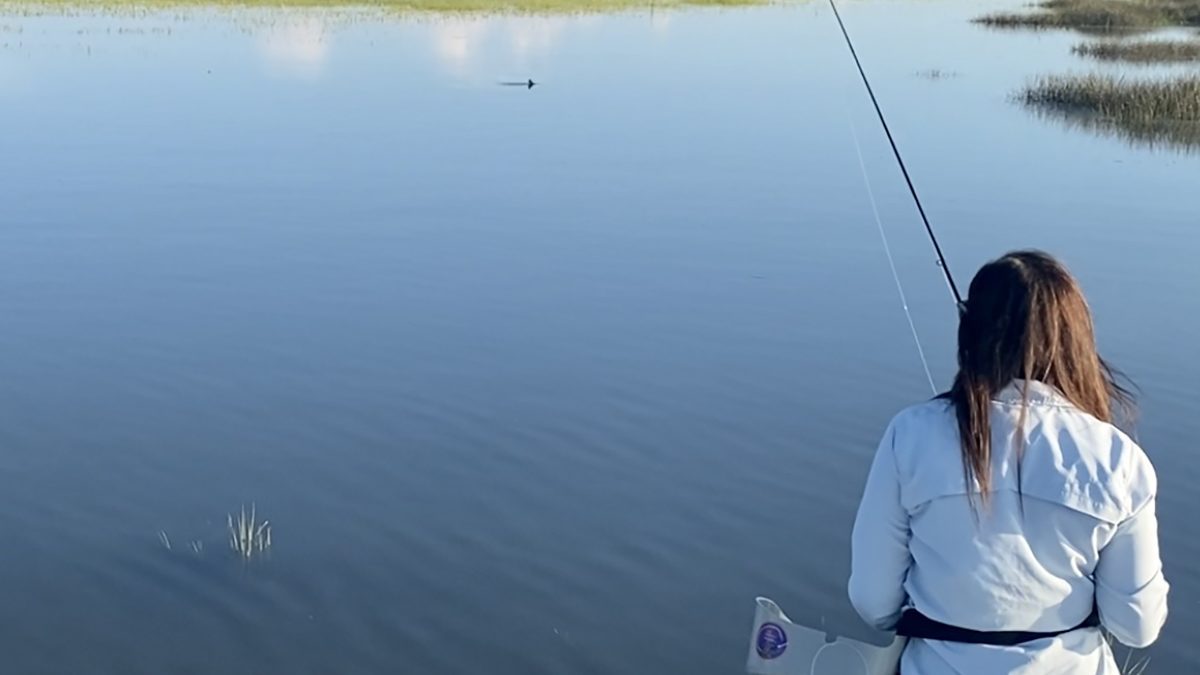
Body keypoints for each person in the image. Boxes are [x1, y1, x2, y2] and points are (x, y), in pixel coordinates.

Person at [848, 250, 1169, 674]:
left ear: (972, 334)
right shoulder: (1119, 460)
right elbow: (1137, 626)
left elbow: (874, 602)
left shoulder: (910, 436)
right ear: (1075, 341)